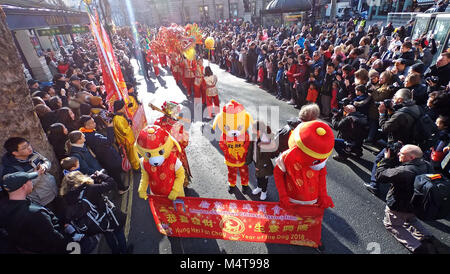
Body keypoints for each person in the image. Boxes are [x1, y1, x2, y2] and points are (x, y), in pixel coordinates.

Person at [375, 144, 436, 254]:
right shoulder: (427, 165)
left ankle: (417, 247)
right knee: (411, 220)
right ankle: (427, 236)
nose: (398, 153)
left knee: (392, 224)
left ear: (411, 157)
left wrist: (386, 160)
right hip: (417, 204)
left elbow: (380, 175)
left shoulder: (403, 171)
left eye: (401, 153)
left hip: (399, 205)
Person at [59, 170, 131, 254]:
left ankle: (115, 251)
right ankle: (124, 251)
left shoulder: (67, 199)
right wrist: (101, 175)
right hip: (108, 217)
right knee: (118, 231)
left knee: (107, 234)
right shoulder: (90, 188)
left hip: (95, 224)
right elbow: (111, 183)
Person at [0, 171, 71, 253]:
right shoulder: (36, 213)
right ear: (23, 186)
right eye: (30, 180)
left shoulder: (3, 207)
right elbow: (55, 240)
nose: (32, 182)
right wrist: (71, 241)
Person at [1, 137, 58, 209]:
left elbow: (46, 161)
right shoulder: (12, 170)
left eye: (28, 145)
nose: (29, 148)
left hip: (53, 189)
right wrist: (38, 174)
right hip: (42, 200)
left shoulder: (33, 153)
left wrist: (45, 166)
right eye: (24, 148)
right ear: (15, 153)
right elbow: (22, 189)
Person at [79, 115, 129, 194]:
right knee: (115, 173)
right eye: (92, 122)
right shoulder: (94, 136)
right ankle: (121, 189)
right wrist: (110, 127)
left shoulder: (84, 132)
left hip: (102, 156)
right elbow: (109, 141)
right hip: (107, 157)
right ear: (86, 126)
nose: (95, 123)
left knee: (112, 173)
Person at [246, 120, 277, 200]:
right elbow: (250, 149)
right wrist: (248, 159)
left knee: (263, 178)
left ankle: (264, 191)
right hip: (256, 161)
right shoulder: (254, 136)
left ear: (259, 131)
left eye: (253, 129)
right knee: (258, 176)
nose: (251, 130)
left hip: (264, 164)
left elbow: (271, 151)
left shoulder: (265, 139)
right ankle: (259, 187)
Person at [112, 100, 140, 171]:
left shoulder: (119, 116)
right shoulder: (118, 119)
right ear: (120, 108)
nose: (125, 109)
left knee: (133, 153)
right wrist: (129, 126)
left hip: (129, 139)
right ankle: (136, 167)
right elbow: (124, 131)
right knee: (132, 155)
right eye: (124, 107)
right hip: (127, 141)